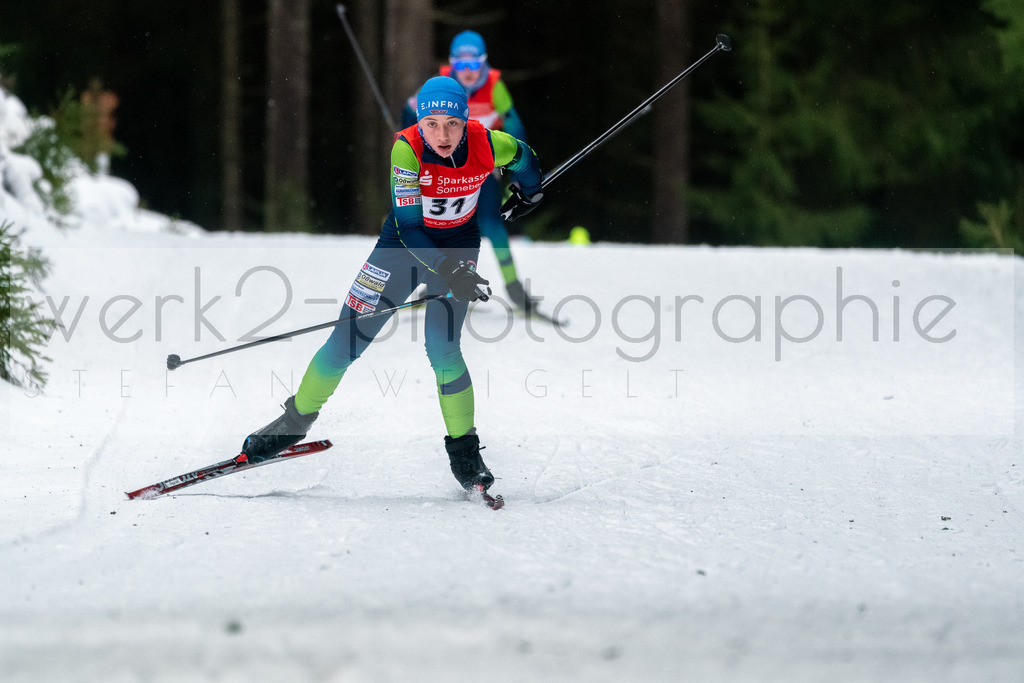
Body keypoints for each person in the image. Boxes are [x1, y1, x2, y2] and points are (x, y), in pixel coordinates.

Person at [241, 76, 544, 494]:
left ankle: (465, 453)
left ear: (465, 121)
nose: (442, 135)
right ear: (420, 123)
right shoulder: (406, 147)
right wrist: (452, 272)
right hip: (400, 248)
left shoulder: (491, 144)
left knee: (444, 347)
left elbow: (526, 158)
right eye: (432, 124)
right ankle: (294, 422)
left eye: (452, 124)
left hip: (458, 246)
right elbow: (410, 226)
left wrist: (529, 193)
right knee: (347, 338)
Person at [402, 30, 541, 313]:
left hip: (481, 171)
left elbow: (514, 127)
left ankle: (514, 288)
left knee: (490, 224)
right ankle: (433, 283)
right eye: (461, 65)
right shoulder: (442, 84)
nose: (467, 72)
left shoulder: (494, 86)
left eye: (474, 64)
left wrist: (519, 174)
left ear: (483, 62)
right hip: (444, 172)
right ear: (452, 63)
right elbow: (410, 110)